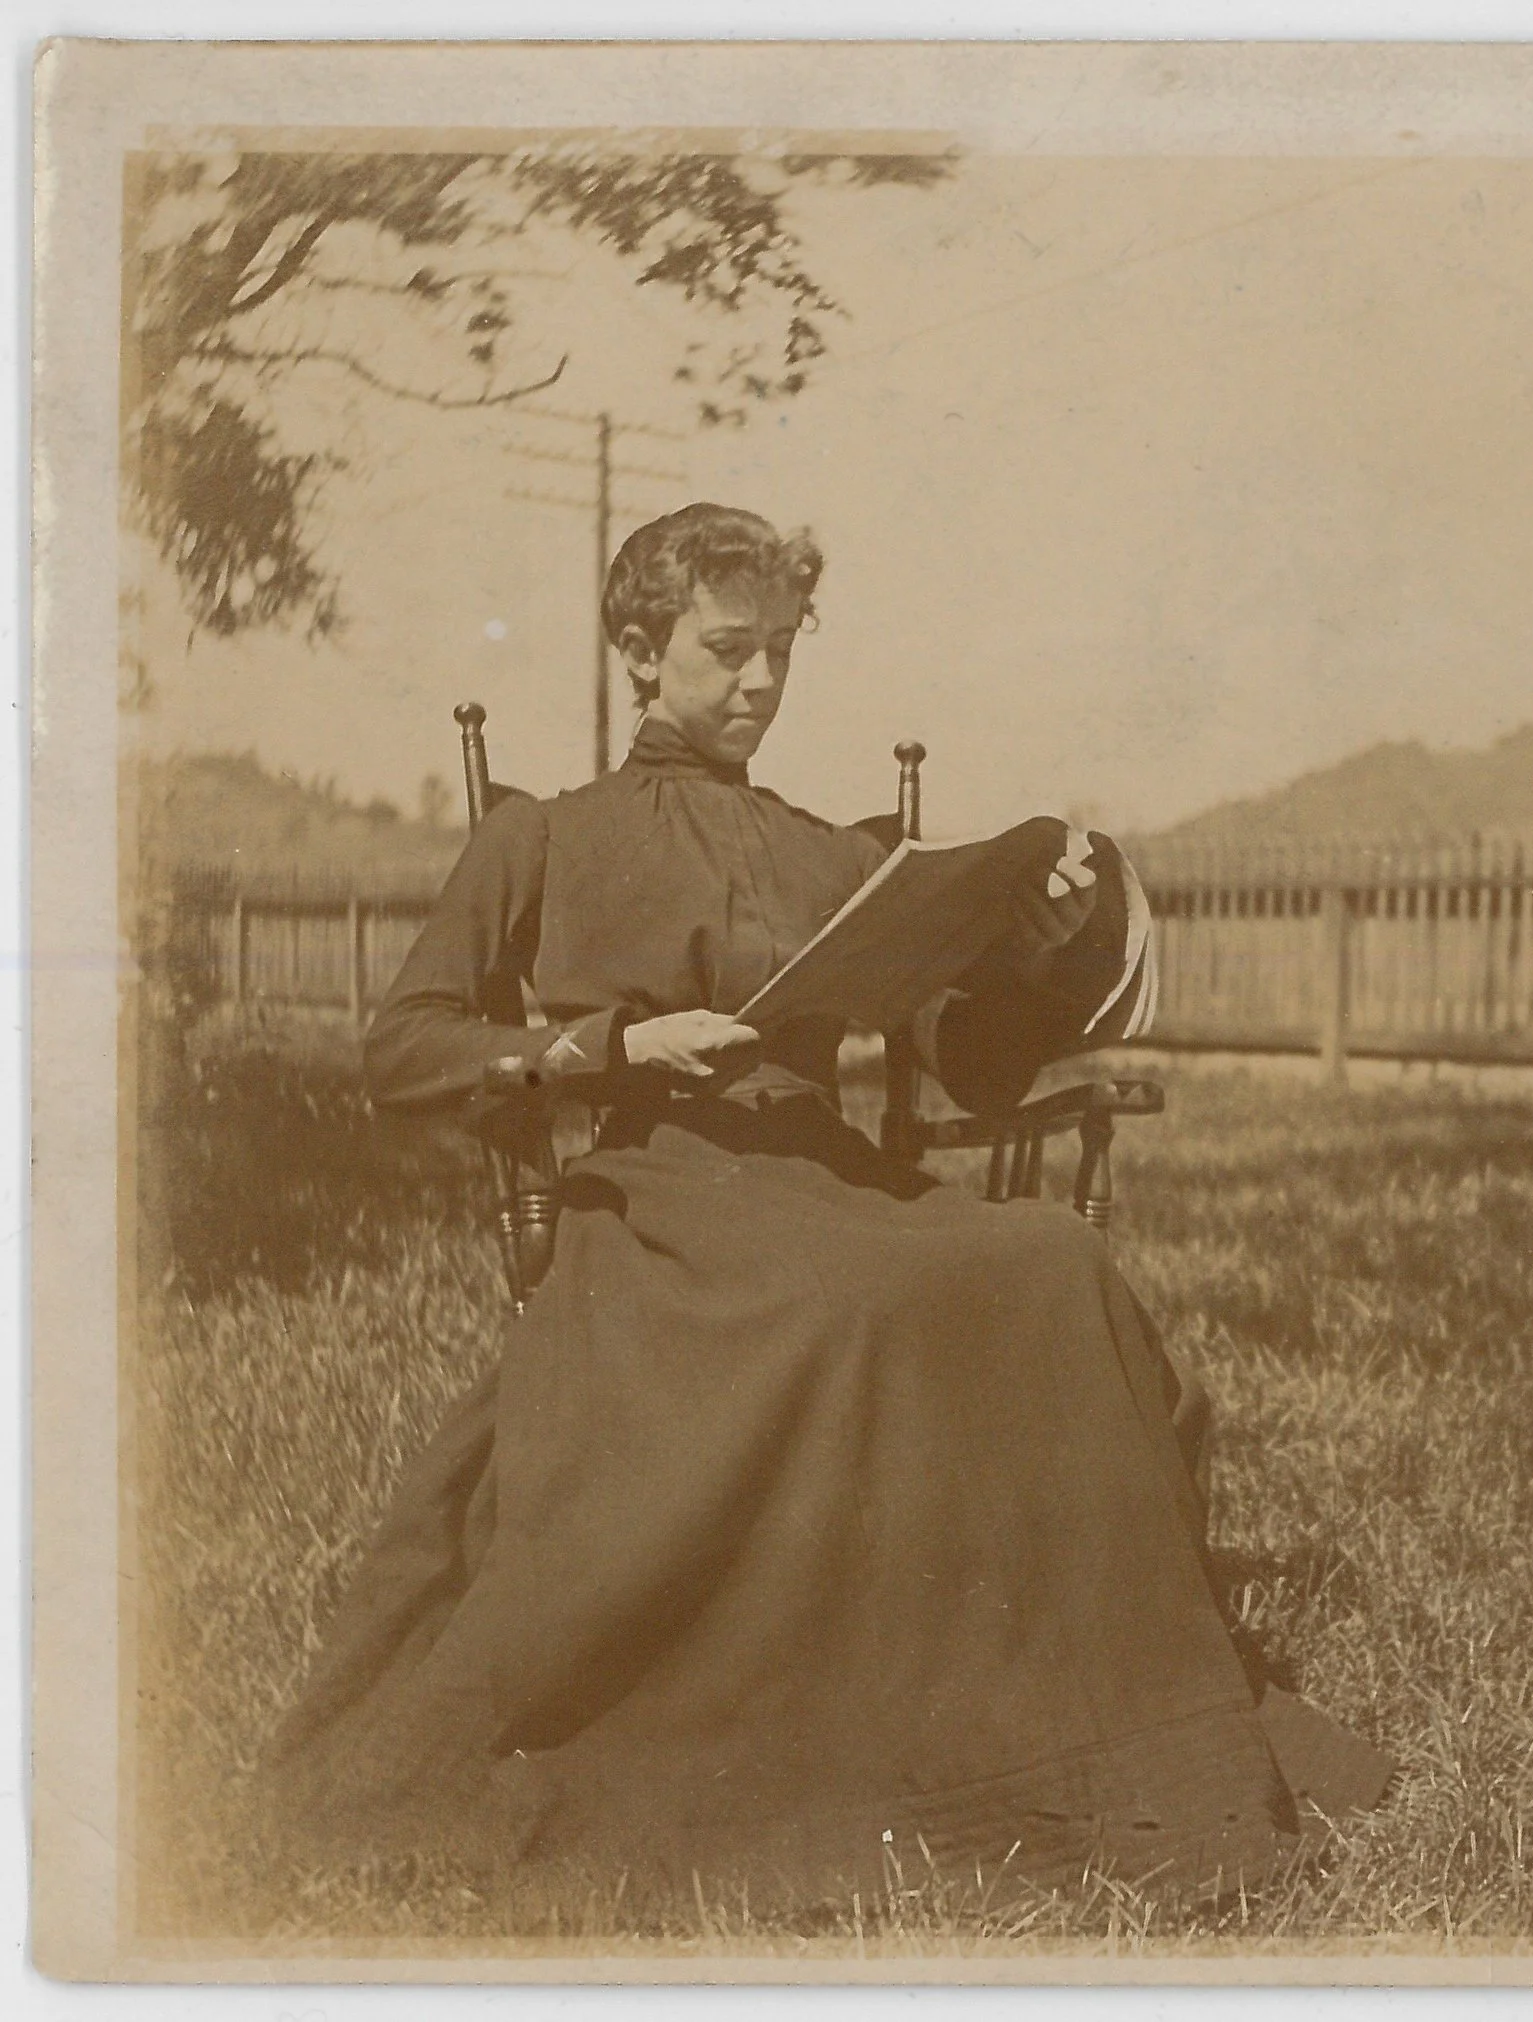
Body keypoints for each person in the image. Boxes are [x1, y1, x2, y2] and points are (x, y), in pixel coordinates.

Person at [261, 503, 1388, 1908]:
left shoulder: (832, 855)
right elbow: (404, 1045)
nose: (761, 685)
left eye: (781, 652)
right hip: (660, 1199)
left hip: (830, 1178)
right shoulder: (540, 840)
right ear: (638, 646)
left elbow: (960, 1064)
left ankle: (1117, 1711)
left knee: (1049, 1249)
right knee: (858, 1296)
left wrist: (1029, 956)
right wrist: (611, 1047)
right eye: (729, 651)